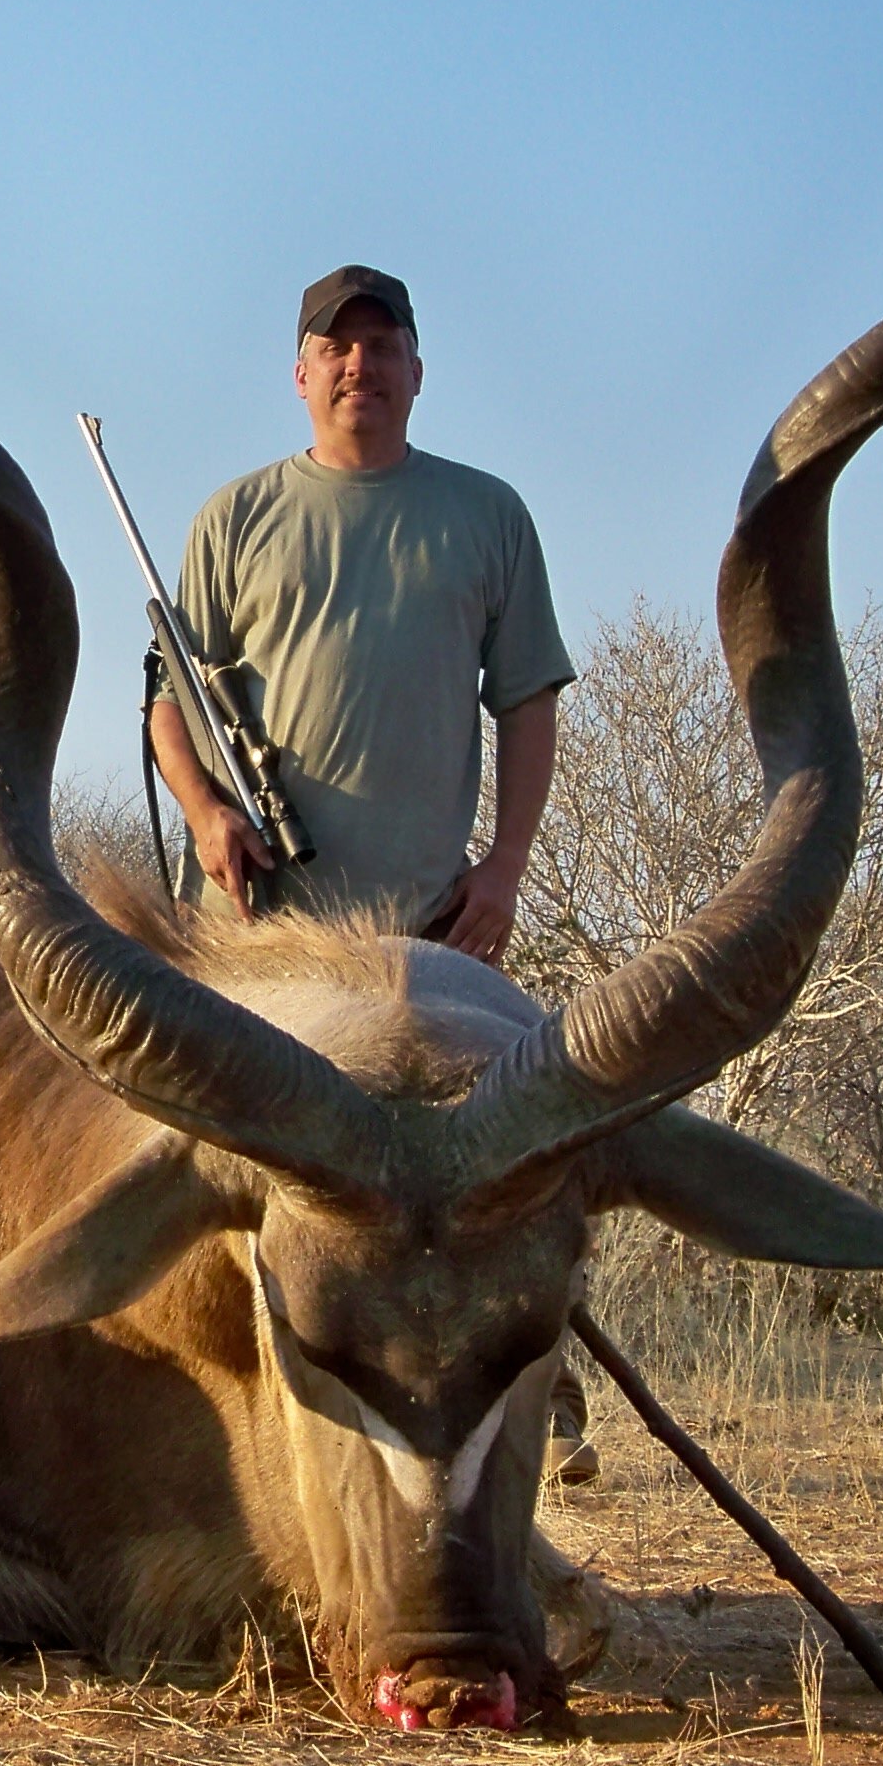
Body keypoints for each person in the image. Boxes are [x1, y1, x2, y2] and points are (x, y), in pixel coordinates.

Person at [148, 264, 600, 1478]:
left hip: (425, 938)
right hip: (257, 937)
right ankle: (224, 1429)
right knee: (234, 1192)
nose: (359, 365)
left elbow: (527, 705)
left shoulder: (486, 515)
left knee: (502, 1182)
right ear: (300, 375)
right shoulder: (234, 518)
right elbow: (171, 705)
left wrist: (504, 865)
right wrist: (202, 815)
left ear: (415, 367)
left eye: (380, 344)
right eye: (333, 348)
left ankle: (538, 1406)